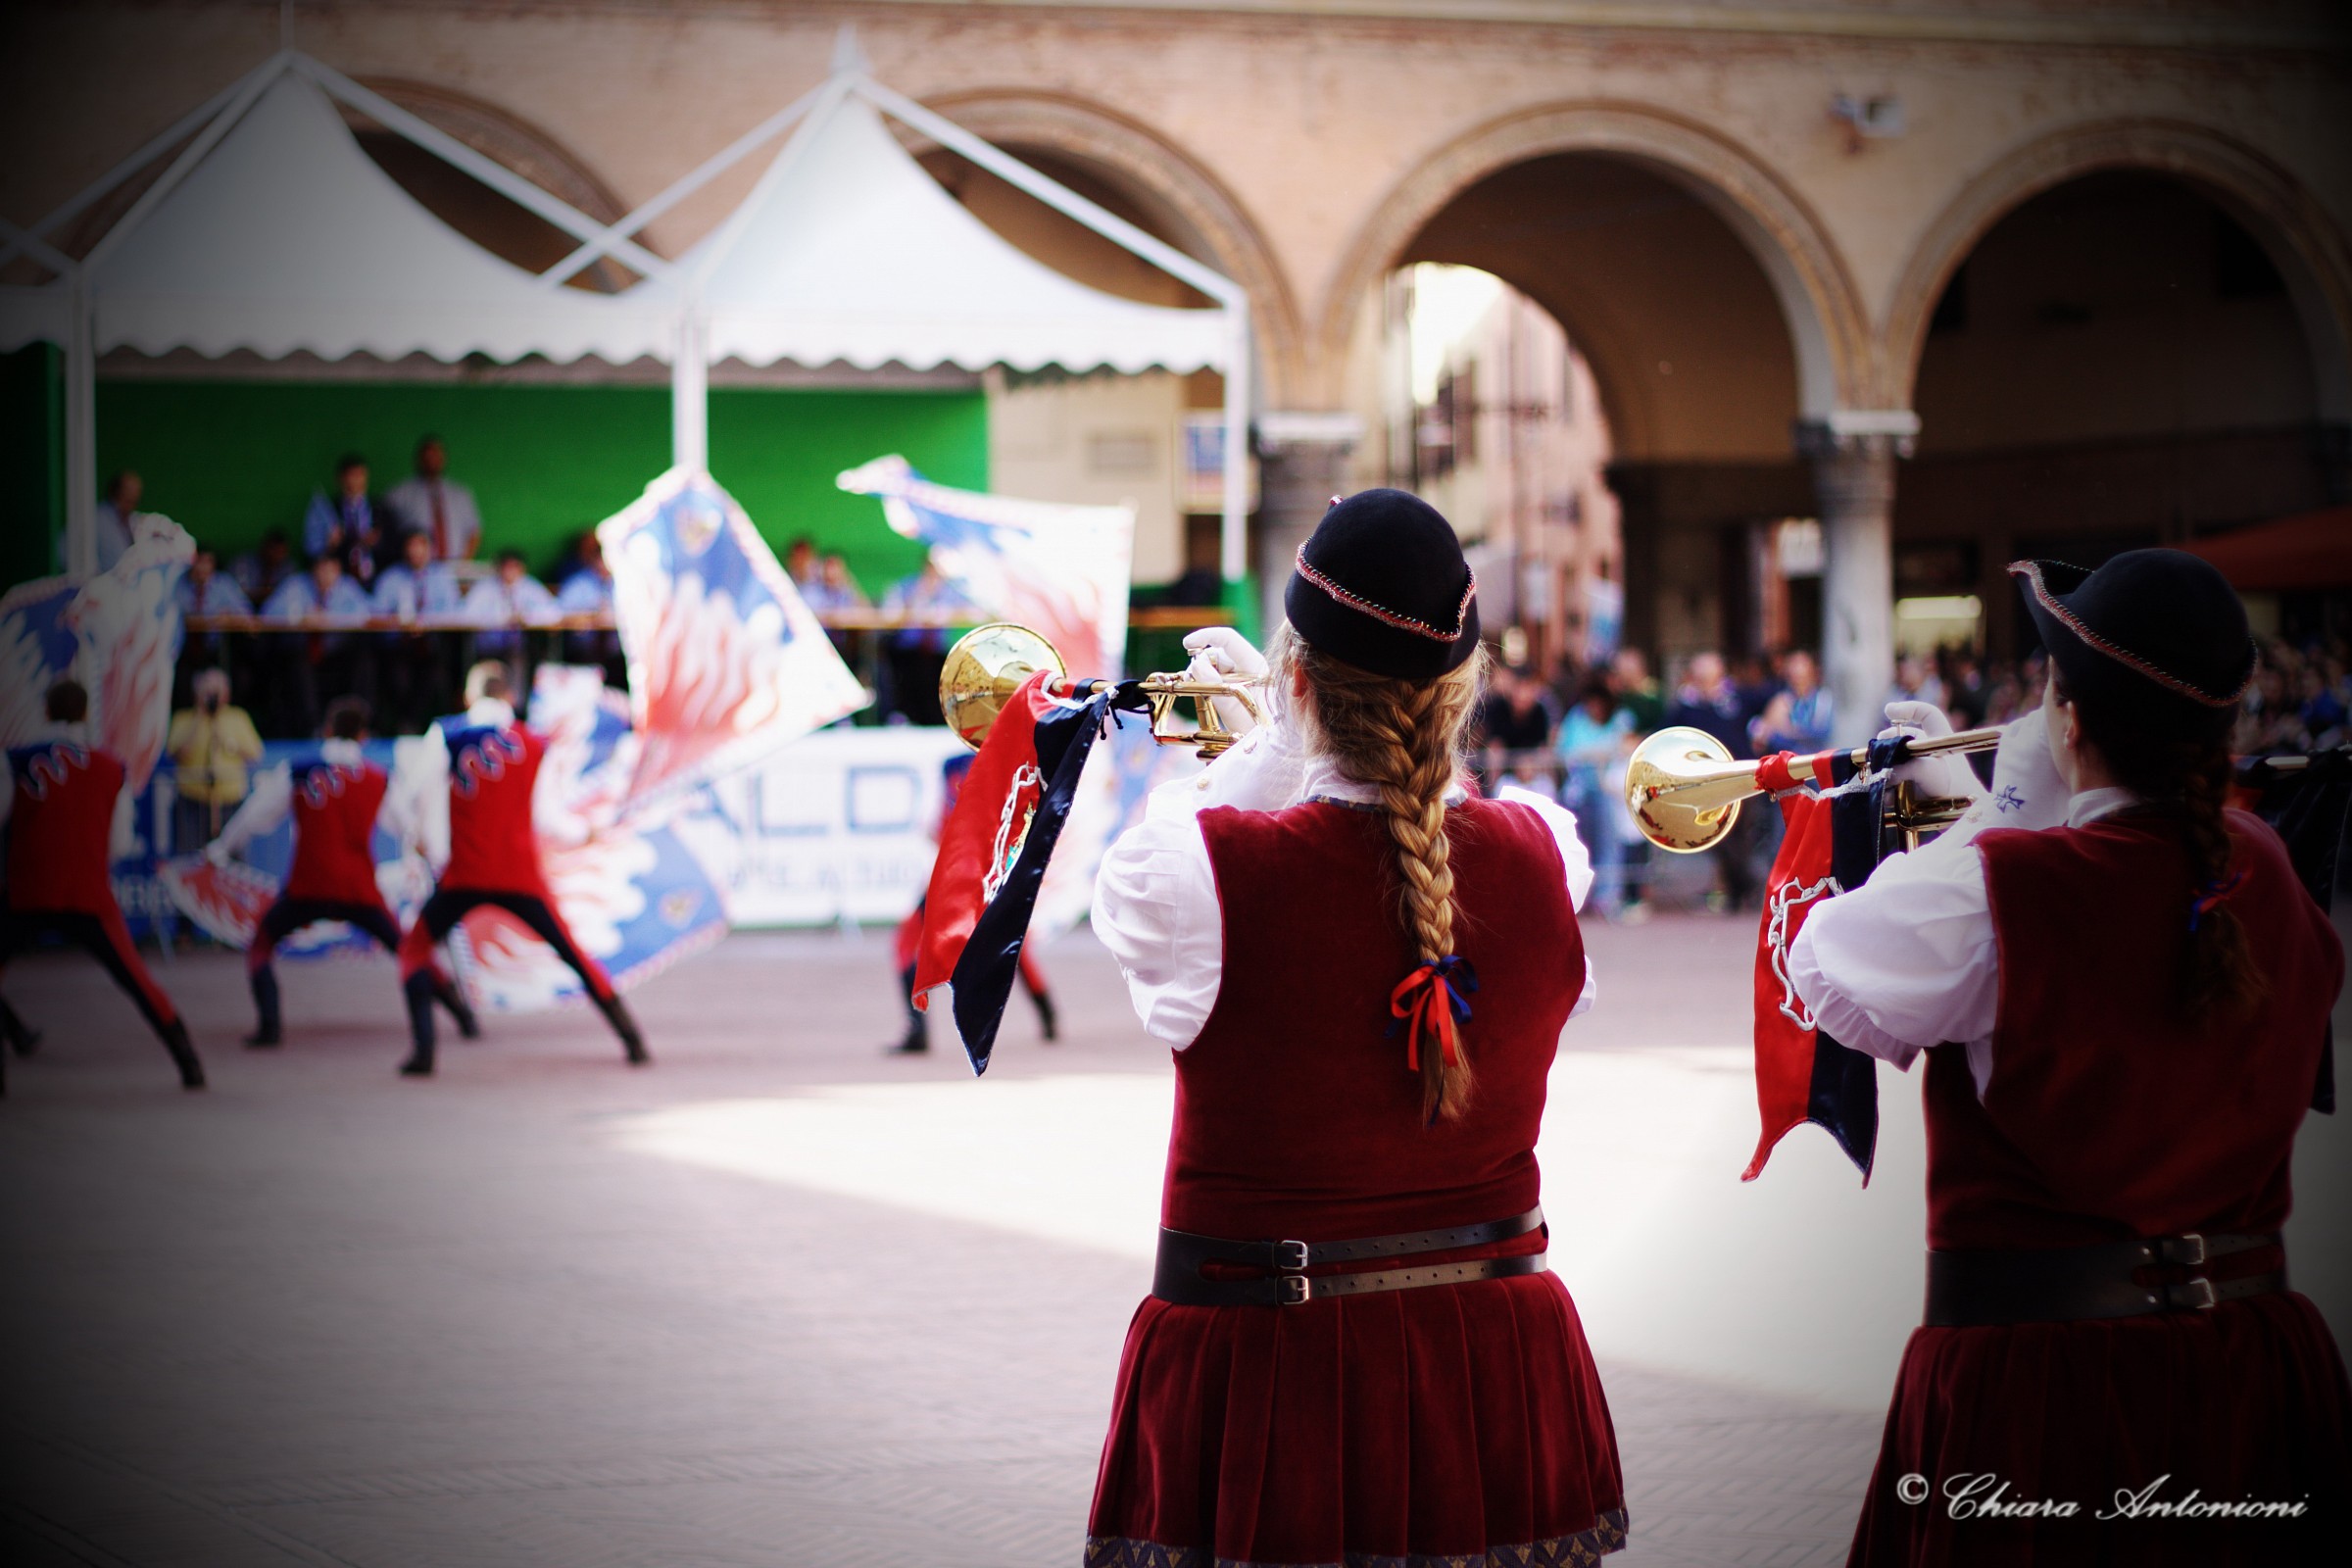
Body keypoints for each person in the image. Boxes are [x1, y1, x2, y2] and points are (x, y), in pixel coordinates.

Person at [1086, 491, 1625, 1566]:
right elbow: (1416, 816)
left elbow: (1154, 880)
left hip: (1279, 1376)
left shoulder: (1192, 871)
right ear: (1465, 689)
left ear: (1295, 681)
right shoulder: (1548, 855)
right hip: (1493, 1368)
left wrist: (1258, 748)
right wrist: (1294, 737)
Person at [1790, 550, 2349, 1566]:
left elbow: (1825, 956)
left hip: (2047, 1395)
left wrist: (1994, 816)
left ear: (2071, 721)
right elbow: (2081, 921)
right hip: (2255, 1367)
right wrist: (1991, 817)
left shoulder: (2010, 881)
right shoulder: (2266, 866)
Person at [392, 665, 647, 1077]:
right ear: (511, 697)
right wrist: (587, 832)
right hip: (519, 877)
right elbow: (549, 817)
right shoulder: (533, 742)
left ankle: (425, 1050)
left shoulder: (448, 734)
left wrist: (419, 840)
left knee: (414, 949)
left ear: (469, 698)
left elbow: (411, 794)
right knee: (573, 955)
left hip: (465, 875)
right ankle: (632, 1039)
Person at [206, 698, 474, 1049]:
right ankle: (462, 1016)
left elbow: (254, 816)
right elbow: (407, 827)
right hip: (358, 890)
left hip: (308, 887)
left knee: (261, 946)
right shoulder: (376, 779)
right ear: (363, 736)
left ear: (328, 730)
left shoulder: (298, 771)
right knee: (410, 951)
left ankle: (269, 1027)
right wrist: (427, 856)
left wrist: (221, 848)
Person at [0, 681, 205, 1090]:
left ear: (46, 711)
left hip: (27, 891)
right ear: (86, 712)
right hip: (87, 894)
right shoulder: (110, 766)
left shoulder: (15, 761)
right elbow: (120, 844)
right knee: (136, 979)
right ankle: (190, 1066)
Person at [889, 751, 1056, 1054]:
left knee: (906, 944)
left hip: (957, 876)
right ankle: (1047, 1014)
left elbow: (939, 829)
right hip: (990, 875)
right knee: (1013, 947)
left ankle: (917, 1029)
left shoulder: (953, 767)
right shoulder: (1008, 765)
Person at [261, 554, 374, 737]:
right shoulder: (295, 586)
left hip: (337, 654)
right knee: (297, 661)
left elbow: (368, 615)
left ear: (338, 570)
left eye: (330, 569)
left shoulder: (348, 587)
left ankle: (359, 726)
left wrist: (331, 619)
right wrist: (300, 619)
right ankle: (313, 727)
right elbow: (266, 614)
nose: (325, 575)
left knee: (364, 660)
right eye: (321, 569)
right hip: (303, 653)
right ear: (313, 570)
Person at [1556, 675, 1633, 916]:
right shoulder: (1576, 718)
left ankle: (1607, 896)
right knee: (1577, 844)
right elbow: (1566, 751)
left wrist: (1596, 755)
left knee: (1608, 843)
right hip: (1578, 793)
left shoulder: (1620, 719)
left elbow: (1624, 746)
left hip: (1606, 792)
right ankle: (1579, 897)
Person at [166, 667, 265, 853]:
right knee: (190, 855)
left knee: (234, 857)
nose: (212, 696)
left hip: (230, 800)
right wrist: (199, 717)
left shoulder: (237, 718)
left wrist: (229, 742)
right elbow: (177, 753)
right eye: (207, 691)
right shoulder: (184, 718)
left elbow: (256, 755)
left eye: (216, 691)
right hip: (193, 800)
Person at [372, 530, 464, 730]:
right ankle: (405, 723)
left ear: (430, 549)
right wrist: (401, 623)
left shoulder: (442, 576)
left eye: (421, 547)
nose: (416, 552)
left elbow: (453, 611)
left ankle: (411, 723)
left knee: (437, 669)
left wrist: (426, 623)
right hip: (398, 643)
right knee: (395, 675)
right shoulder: (391, 577)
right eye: (411, 547)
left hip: (432, 643)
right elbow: (376, 613)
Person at [878, 553, 970, 724]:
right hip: (908, 647)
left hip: (937, 650)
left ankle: (936, 717)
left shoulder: (950, 590)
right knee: (909, 669)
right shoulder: (909, 586)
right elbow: (891, 613)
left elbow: (968, 610)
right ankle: (906, 715)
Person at [382, 435, 481, 563]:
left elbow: (474, 532)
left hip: (454, 568)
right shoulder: (399, 494)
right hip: (416, 571)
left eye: (436, 456)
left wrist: (463, 564)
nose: (432, 461)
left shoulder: (461, 493)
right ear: (418, 460)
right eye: (427, 457)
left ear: (443, 458)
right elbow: (384, 532)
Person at [302, 454, 390, 589]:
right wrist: (329, 544)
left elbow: (395, 547)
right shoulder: (328, 509)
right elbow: (311, 552)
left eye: (360, 475)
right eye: (351, 476)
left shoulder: (380, 508)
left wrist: (377, 542)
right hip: (338, 585)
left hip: (375, 581)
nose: (355, 481)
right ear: (340, 479)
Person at [460, 549, 562, 662]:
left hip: (520, 648)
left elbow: (553, 613)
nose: (510, 571)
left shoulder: (531, 587)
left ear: (522, 569)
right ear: (498, 568)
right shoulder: (484, 588)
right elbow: (466, 614)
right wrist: (500, 617)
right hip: (488, 647)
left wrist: (526, 617)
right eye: (506, 567)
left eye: (514, 566)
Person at [230, 528, 297, 611]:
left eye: (281, 552)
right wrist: (269, 593)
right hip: (242, 613)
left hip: (275, 615)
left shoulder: (288, 567)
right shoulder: (243, 564)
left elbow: (290, 597)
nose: (276, 556)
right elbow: (236, 596)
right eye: (274, 550)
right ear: (264, 547)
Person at [94, 470, 141, 572]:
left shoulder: (132, 521)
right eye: (127, 500)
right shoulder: (96, 520)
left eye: (134, 502)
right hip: (101, 584)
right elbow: (63, 551)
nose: (130, 506)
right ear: (115, 494)